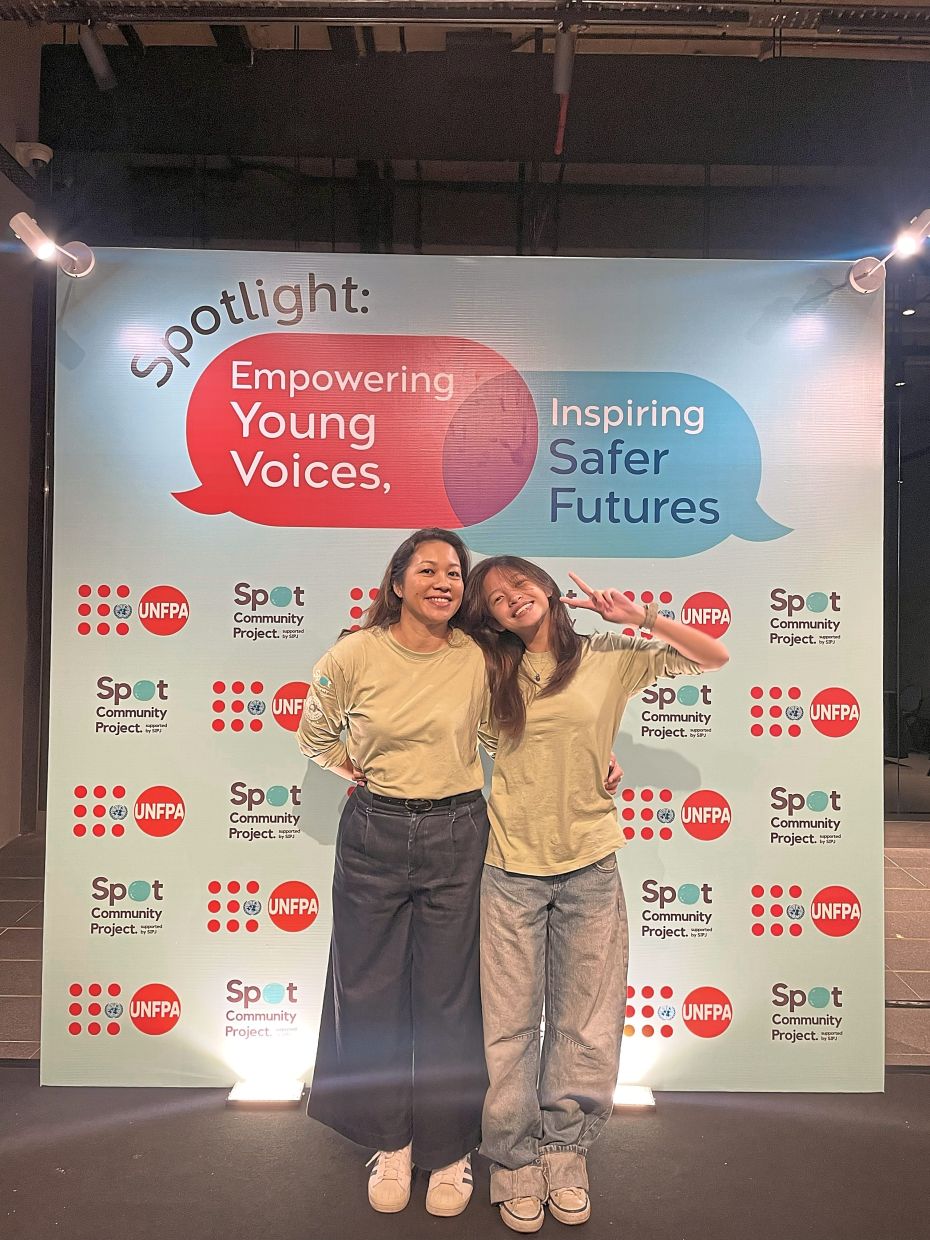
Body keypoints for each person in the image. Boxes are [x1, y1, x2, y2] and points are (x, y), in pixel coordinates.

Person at [461, 557, 729, 1232]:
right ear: (489, 618)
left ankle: (565, 1152)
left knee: (587, 1023)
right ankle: (515, 1159)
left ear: (547, 589)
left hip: (589, 867)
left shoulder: (610, 656)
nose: (511, 600)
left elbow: (714, 655)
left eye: (519, 586)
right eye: (495, 599)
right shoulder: (490, 670)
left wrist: (640, 615)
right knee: (510, 1028)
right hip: (511, 868)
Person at [296, 528, 490, 1219]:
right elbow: (313, 732)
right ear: (398, 580)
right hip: (374, 832)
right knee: (370, 991)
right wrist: (359, 771)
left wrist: (595, 760)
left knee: (450, 999)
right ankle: (392, 1142)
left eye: (455, 574)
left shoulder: (478, 656)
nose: (444, 582)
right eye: (429, 569)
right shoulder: (355, 652)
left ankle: (448, 1148)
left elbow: (518, 731)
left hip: (458, 832)